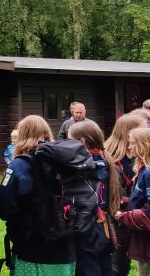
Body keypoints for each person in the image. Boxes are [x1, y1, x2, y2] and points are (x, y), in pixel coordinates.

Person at [0, 115, 77, 275]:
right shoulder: (64, 163)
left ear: (22, 136)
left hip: (32, 250)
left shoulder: (21, 165)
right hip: (67, 248)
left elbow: (3, 207)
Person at [69, 120, 120, 276]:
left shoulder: (83, 169)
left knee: (87, 270)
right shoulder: (109, 164)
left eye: (70, 140)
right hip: (105, 227)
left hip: (87, 228)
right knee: (105, 269)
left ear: (82, 142)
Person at [105, 114, 148, 276]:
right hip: (115, 221)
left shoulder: (139, 159)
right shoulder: (109, 160)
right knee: (115, 265)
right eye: (143, 127)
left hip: (133, 218)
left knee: (125, 265)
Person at [115, 127, 150, 276]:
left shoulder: (148, 172)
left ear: (144, 144)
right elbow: (142, 200)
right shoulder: (142, 169)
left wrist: (124, 217)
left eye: (132, 143)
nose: (129, 147)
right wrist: (124, 201)